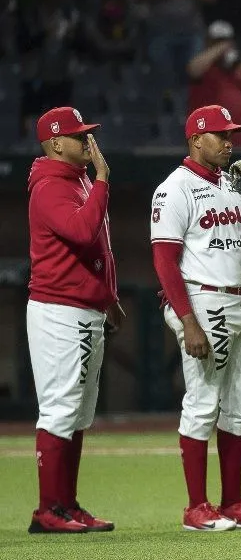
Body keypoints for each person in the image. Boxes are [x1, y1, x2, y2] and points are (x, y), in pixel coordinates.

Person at [150, 105, 241, 532]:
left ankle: (233, 502)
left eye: (232, 134)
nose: (230, 142)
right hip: (201, 299)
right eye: (220, 135)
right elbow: (163, 260)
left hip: (237, 300)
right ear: (195, 140)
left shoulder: (234, 182)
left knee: (240, 404)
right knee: (203, 402)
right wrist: (187, 320)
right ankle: (197, 508)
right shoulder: (175, 188)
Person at [26, 107, 121, 533]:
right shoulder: (48, 185)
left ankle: (67, 504)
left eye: (89, 134)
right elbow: (82, 232)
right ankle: (47, 510)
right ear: (56, 143)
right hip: (59, 309)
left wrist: (109, 297)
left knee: (79, 412)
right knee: (60, 409)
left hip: (84, 307)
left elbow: (99, 247)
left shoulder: (77, 180)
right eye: (80, 136)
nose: (88, 142)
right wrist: (103, 179)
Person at [187, 20, 241, 148]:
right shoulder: (204, 67)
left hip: (237, 140)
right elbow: (193, 69)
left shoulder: (239, 68)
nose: (224, 45)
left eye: (226, 40)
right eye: (217, 41)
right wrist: (220, 48)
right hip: (207, 142)